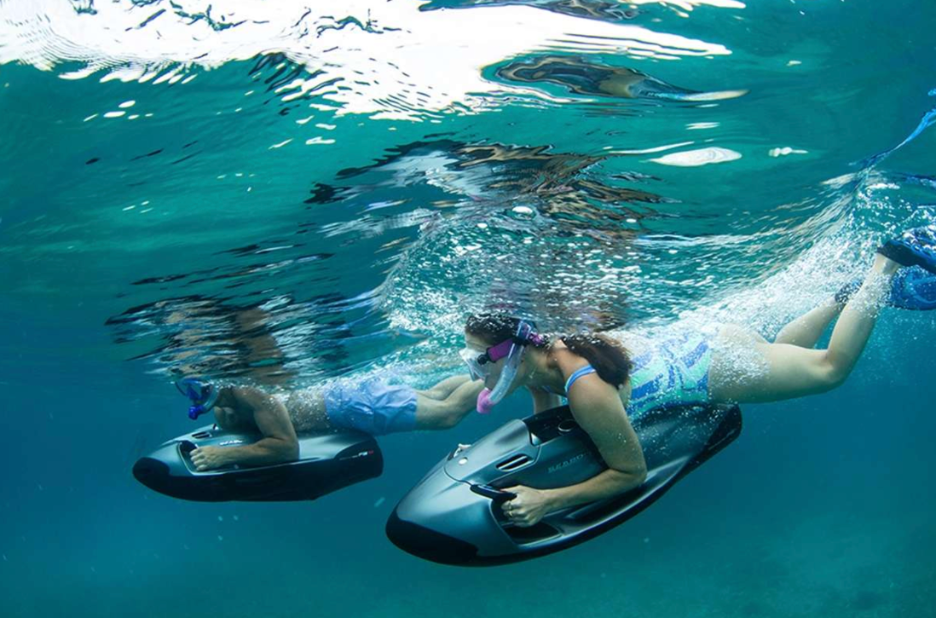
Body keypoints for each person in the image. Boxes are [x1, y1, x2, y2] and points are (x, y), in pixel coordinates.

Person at [459, 226, 936, 528]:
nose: (477, 371)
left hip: (714, 367)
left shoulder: (584, 387)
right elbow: (547, 428)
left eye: (481, 360)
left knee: (830, 369)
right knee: (782, 354)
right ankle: (847, 296)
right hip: (708, 341)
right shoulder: (544, 362)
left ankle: (886, 263)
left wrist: (547, 501)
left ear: (513, 354)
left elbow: (630, 473)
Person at [177, 374, 484, 471]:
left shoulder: (253, 395)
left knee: (447, 414)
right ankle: (491, 366)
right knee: (435, 395)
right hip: (348, 396)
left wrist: (225, 455)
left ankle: (507, 371)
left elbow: (286, 448)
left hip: (353, 407)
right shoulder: (222, 408)